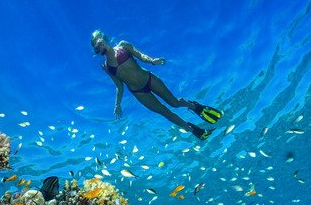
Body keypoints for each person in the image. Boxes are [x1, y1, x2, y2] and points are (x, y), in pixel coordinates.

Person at [90, 30, 222, 140]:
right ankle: (191, 128)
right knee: (165, 112)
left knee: (174, 103)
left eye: (99, 39)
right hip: (139, 92)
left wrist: (153, 61)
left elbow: (141, 56)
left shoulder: (123, 46)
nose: (98, 43)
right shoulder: (106, 67)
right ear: (96, 49)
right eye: (96, 44)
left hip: (149, 79)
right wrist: (117, 104)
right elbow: (119, 85)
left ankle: (194, 106)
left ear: (104, 37)